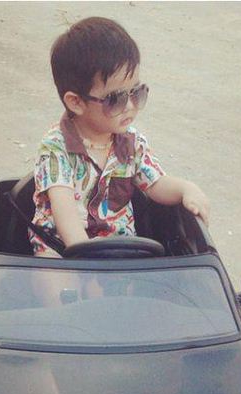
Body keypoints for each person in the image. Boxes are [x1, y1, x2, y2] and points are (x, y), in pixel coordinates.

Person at [30, 16, 210, 258]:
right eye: (116, 99)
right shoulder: (56, 148)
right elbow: (66, 217)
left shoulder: (131, 143)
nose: (130, 106)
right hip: (61, 247)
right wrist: (85, 263)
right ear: (76, 102)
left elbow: (156, 184)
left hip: (119, 246)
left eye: (136, 92)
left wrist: (186, 189)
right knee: (52, 274)